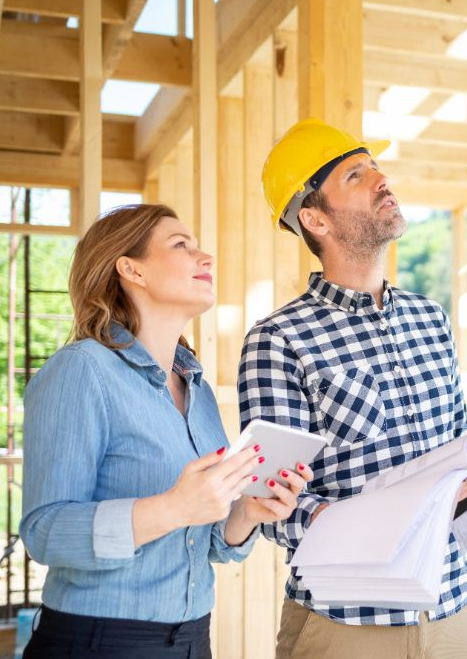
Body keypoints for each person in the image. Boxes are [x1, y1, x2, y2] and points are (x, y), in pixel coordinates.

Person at [237, 119, 467, 658]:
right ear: (315, 217)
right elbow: (273, 505)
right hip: (348, 629)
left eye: (377, 167)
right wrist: (409, 513)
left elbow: (464, 463)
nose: (381, 179)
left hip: (459, 608)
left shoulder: (430, 318)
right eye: (356, 174)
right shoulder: (279, 340)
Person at [20, 203, 312, 658]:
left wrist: (248, 514)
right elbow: (44, 531)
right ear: (130, 269)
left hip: (192, 639)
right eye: (181, 245)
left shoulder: (195, 387)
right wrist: (173, 507)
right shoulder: (82, 370)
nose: (206, 257)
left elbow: (210, 544)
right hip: (99, 642)